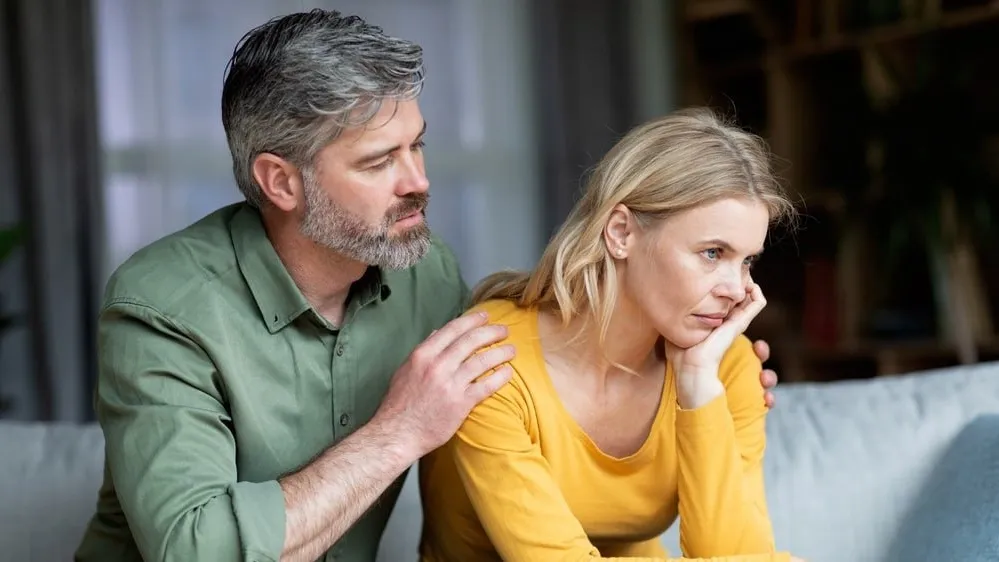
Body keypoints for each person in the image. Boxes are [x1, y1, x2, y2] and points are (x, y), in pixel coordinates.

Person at [74, 10, 782, 562]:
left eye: (418, 144)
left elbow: (547, 385)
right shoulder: (163, 306)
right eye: (380, 160)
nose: (419, 181)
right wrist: (400, 431)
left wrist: (703, 392)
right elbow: (196, 550)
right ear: (280, 182)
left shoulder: (425, 273)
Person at [419, 107, 805, 562]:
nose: (738, 290)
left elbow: (736, 553)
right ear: (621, 232)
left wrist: (699, 387)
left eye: (746, 261)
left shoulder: (725, 363)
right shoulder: (491, 360)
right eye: (711, 253)